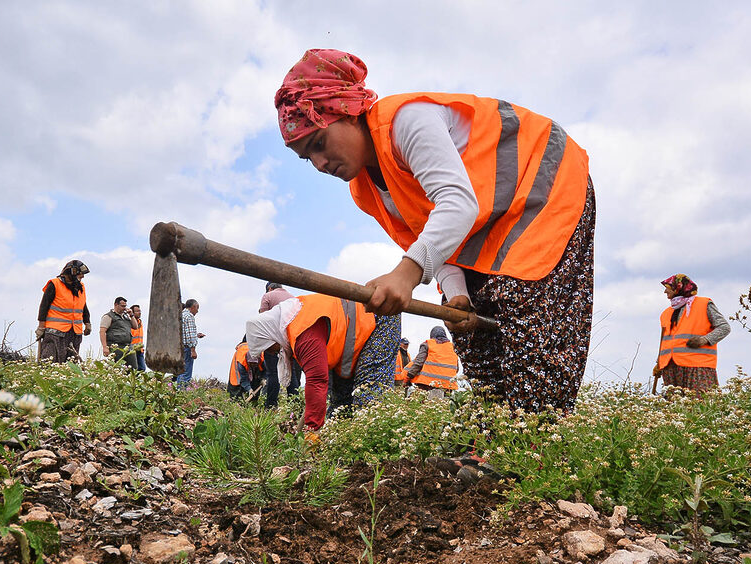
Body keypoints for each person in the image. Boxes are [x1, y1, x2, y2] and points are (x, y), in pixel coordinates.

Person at [275, 49, 595, 415]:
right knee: (471, 329)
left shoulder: (407, 121)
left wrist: (406, 274)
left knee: (527, 309)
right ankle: (495, 444)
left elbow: (457, 204)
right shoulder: (366, 190)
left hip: (546, 181)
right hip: (489, 222)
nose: (319, 163)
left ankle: (535, 446)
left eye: (319, 143)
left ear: (348, 112)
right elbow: (429, 238)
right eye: (306, 158)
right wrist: (456, 293)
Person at [245, 293, 400, 439]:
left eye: (269, 348)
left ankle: (376, 457)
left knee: (369, 399)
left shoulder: (302, 332)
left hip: (379, 315)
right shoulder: (292, 329)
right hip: (352, 338)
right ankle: (341, 454)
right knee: (340, 408)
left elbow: (317, 381)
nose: (273, 353)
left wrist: (311, 430)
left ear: (270, 337)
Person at [653, 274, 731, 393]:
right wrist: (659, 363)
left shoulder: (704, 304)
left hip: (698, 367)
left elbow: (724, 327)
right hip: (670, 368)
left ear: (678, 287)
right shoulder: (666, 313)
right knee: (674, 408)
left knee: (699, 406)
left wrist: (703, 340)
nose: (665, 291)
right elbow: (664, 341)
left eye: (668, 287)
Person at [36, 260, 90, 363]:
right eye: (80, 274)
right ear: (72, 272)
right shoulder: (54, 284)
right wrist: (41, 327)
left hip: (75, 332)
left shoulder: (80, 287)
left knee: (71, 364)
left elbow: (83, 306)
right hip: (55, 332)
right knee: (50, 361)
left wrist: (87, 323)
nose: (82, 276)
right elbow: (44, 306)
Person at [258, 282, 301, 406]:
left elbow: (263, 319)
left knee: (272, 373)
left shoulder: (268, 296)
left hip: (273, 341)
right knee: (290, 372)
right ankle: (295, 405)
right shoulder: (293, 298)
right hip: (290, 341)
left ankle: (271, 405)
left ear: (270, 288)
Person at [407, 326, 460, 393]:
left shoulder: (427, 344)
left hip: (428, 384)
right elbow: (456, 368)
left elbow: (418, 363)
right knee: (443, 403)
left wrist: (409, 377)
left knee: (423, 401)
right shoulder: (451, 346)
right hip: (447, 386)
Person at [99, 296, 138, 370]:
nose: (124, 308)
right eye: (122, 306)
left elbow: (135, 327)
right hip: (116, 347)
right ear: (116, 305)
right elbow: (102, 332)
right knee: (116, 369)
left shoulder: (126, 316)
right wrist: (105, 347)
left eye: (125, 306)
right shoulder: (108, 316)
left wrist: (131, 315)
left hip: (128, 347)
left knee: (133, 369)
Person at [174, 299, 205, 388]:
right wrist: (193, 350)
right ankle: (182, 393)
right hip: (187, 348)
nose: (197, 311)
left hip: (180, 347)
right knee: (186, 373)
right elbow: (190, 336)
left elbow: (185, 333)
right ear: (193, 307)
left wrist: (196, 335)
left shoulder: (182, 315)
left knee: (181, 372)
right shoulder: (189, 316)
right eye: (197, 308)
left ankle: (178, 393)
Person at [130, 304, 147, 371]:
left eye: (140, 311)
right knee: (133, 369)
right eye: (137, 311)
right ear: (133, 313)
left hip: (140, 350)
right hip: (132, 349)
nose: (139, 313)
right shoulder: (129, 322)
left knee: (142, 368)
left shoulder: (140, 322)